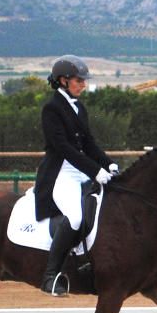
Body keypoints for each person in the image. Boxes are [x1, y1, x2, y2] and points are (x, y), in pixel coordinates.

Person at [33, 55, 119, 296]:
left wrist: (109, 164)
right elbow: (63, 147)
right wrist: (95, 171)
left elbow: (89, 143)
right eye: (78, 81)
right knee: (76, 217)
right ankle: (50, 276)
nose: (83, 85)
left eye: (83, 81)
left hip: (80, 170)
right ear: (63, 80)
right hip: (60, 173)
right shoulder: (52, 108)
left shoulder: (79, 107)